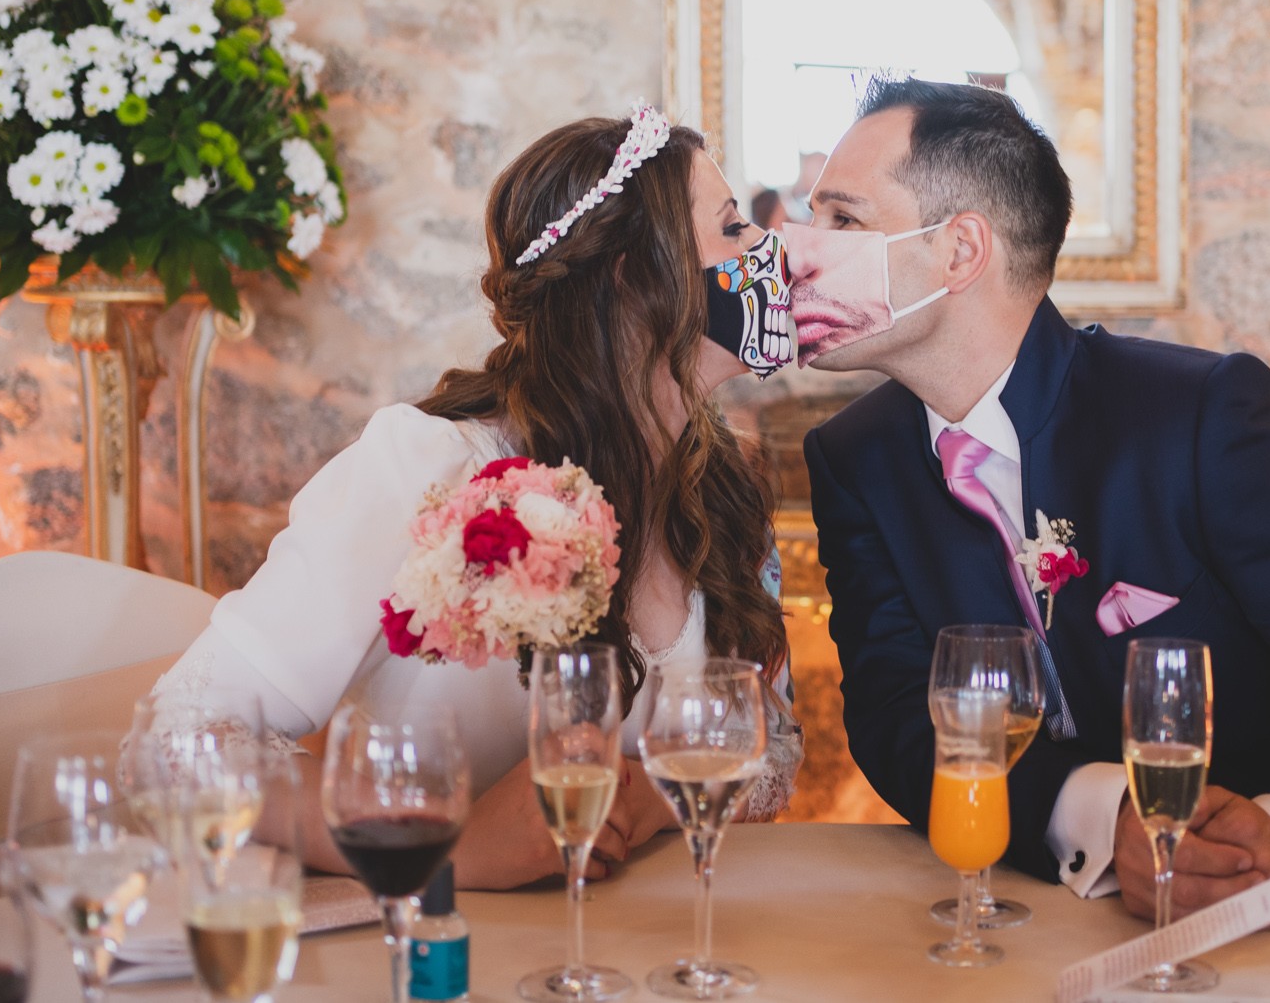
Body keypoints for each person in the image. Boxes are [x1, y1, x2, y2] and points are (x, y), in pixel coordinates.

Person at [790, 76, 1270, 922]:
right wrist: (1098, 815)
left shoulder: (1202, 416)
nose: (796, 247)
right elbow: (898, 716)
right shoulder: (853, 457)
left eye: (842, 219)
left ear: (960, 251)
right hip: (1030, 920)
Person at [146, 107, 801, 890]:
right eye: (734, 230)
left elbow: (772, 746)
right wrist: (438, 841)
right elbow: (174, 744)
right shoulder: (427, 467)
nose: (768, 251)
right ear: (633, 275)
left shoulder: (730, 488)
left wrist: (656, 796)